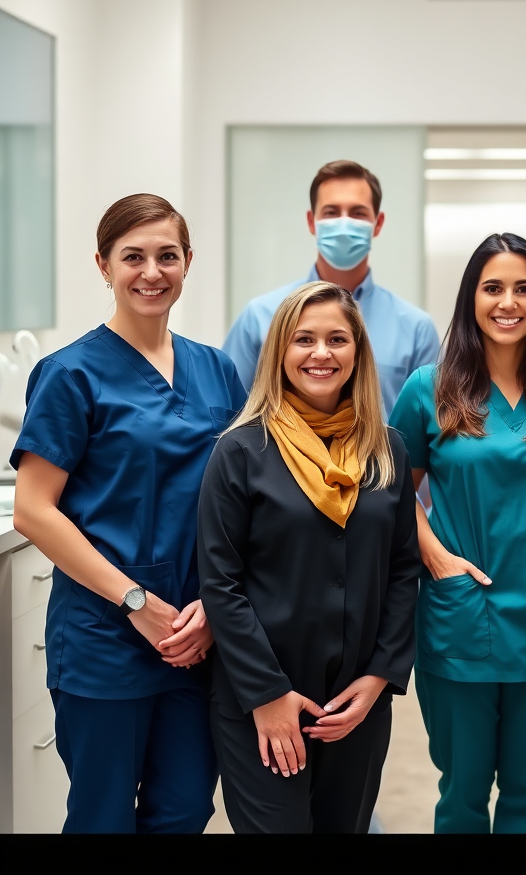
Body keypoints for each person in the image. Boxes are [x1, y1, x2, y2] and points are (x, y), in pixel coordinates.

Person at [10, 194, 247, 833]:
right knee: (103, 815)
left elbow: (239, 499)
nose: (151, 272)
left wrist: (214, 610)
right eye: (132, 256)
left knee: (187, 807)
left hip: (194, 636)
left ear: (188, 262)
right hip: (105, 635)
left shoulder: (217, 371)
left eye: (167, 255)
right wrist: (136, 604)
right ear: (103, 265)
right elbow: (34, 511)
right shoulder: (70, 374)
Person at [389, 233, 526, 833]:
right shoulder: (428, 389)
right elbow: (391, 484)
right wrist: (432, 552)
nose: (508, 302)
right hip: (460, 615)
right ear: (471, 299)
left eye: (523, 289)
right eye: (493, 288)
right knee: (461, 795)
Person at [198, 281, 420, 834]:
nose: (321, 354)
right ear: (279, 351)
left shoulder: (386, 448)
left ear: (357, 352)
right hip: (265, 699)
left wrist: (378, 680)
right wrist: (267, 696)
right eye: (304, 339)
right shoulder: (241, 450)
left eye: (337, 339)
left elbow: (401, 569)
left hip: (357, 705)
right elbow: (220, 582)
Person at [222, 158, 439, 414]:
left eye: (358, 213)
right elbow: (230, 415)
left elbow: (430, 427)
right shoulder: (259, 317)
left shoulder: (416, 330)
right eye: (331, 212)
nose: (344, 224)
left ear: (377, 224)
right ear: (312, 222)